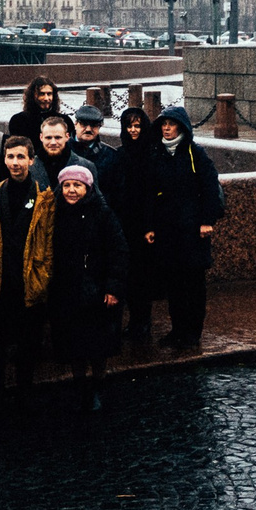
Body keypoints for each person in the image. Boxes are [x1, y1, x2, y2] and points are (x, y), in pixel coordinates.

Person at [47, 163, 127, 410]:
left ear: (88, 188)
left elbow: (118, 251)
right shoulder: (54, 212)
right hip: (66, 290)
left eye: (77, 185)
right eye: (67, 185)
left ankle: (98, 386)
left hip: (97, 290)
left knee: (98, 344)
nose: (71, 190)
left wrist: (113, 288)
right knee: (74, 344)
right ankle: (80, 387)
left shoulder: (103, 213)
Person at [149, 105, 225, 350]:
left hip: (193, 230)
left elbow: (210, 187)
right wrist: (150, 226)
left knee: (193, 284)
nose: (167, 128)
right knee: (173, 284)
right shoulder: (157, 153)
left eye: (171, 124)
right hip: (168, 231)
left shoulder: (195, 153)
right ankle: (177, 330)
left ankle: (193, 332)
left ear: (181, 127)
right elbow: (150, 193)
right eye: (164, 124)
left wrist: (207, 221)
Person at [0, 133, 54, 413]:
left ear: (31, 160)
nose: (15, 162)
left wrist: (43, 277)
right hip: (2, 280)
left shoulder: (45, 197)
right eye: (10, 157)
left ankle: (24, 394)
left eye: (20, 157)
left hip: (30, 280)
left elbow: (49, 242)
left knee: (28, 343)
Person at [99, 102, 161, 345]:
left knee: (142, 277)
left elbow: (153, 193)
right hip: (123, 223)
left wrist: (150, 225)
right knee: (126, 275)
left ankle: (142, 322)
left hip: (143, 225)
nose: (133, 130)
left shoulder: (152, 154)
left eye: (137, 126)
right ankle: (131, 323)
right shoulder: (120, 154)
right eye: (129, 126)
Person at [33, 108, 81, 186]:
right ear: (41, 137)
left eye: (58, 137)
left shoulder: (84, 165)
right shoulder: (29, 167)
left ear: (67, 137)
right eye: (48, 138)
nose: (53, 142)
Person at [72, 93, 115, 170]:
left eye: (93, 125)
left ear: (100, 126)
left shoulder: (110, 155)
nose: (88, 129)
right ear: (75, 124)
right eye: (84, 124)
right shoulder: (62, 149)